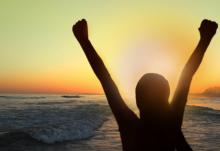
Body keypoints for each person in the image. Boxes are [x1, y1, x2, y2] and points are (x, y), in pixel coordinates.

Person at [72, 19, 218, 151]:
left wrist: (84, 41)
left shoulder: (130, 126)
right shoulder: (172, 123)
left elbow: (105, 78)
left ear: (138, 101)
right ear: (166, 100)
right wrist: (205, 40)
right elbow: (186, 76)